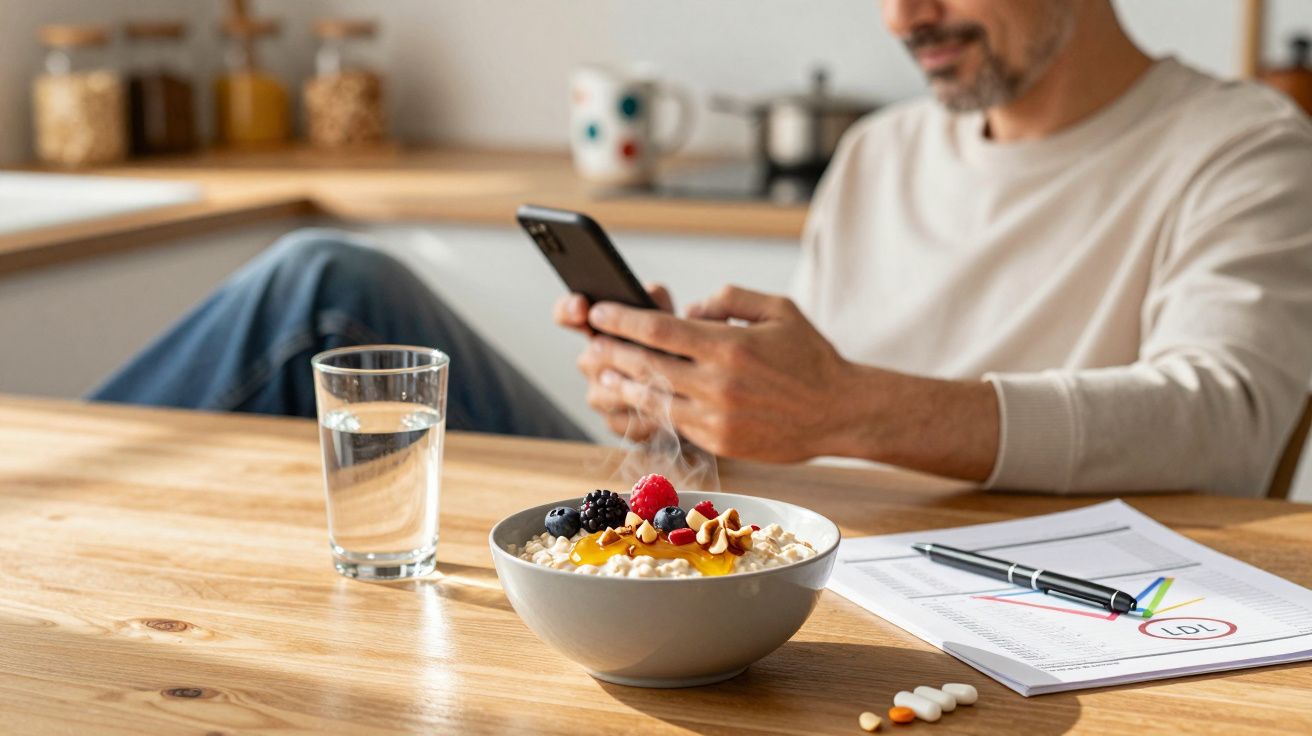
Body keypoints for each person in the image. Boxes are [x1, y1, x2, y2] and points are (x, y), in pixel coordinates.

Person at [94, 0, 1312, 498]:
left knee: (320, 291)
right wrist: (682, 405)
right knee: (323, 287)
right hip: (744, 546)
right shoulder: (881, 151)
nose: (904, 19)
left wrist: (848, 409)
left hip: (958, 597)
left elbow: (1228, 419)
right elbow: (799, 439)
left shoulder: (1242, 146)